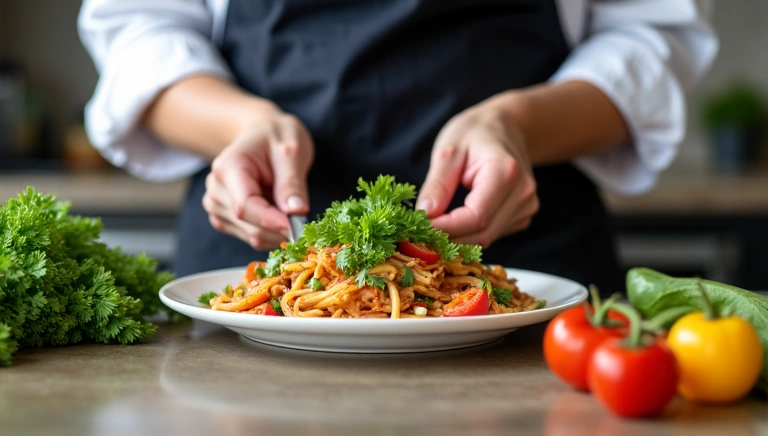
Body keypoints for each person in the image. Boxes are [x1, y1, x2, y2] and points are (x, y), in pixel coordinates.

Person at [79, 0, 717, 293]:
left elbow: (652, 38)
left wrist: (518, 123)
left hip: (523, 252)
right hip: (259, 250)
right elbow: (139, 29)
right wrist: (239, 125)